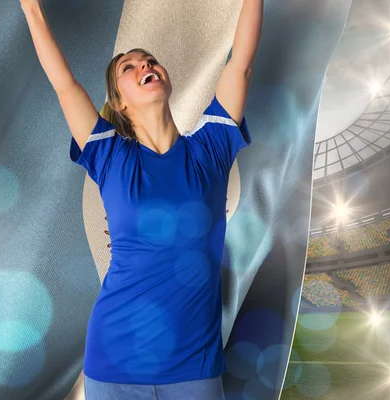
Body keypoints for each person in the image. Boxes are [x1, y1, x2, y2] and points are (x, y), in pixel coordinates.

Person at [20, 0, 263, 398]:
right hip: (113, 364)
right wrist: (31, 8)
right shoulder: (110, 156)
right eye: (128, 68)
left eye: (149, 60)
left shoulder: (212, 148)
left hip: (194, 368)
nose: (144, 66)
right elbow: (64, 84)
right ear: (118, 102)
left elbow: (241, 65)